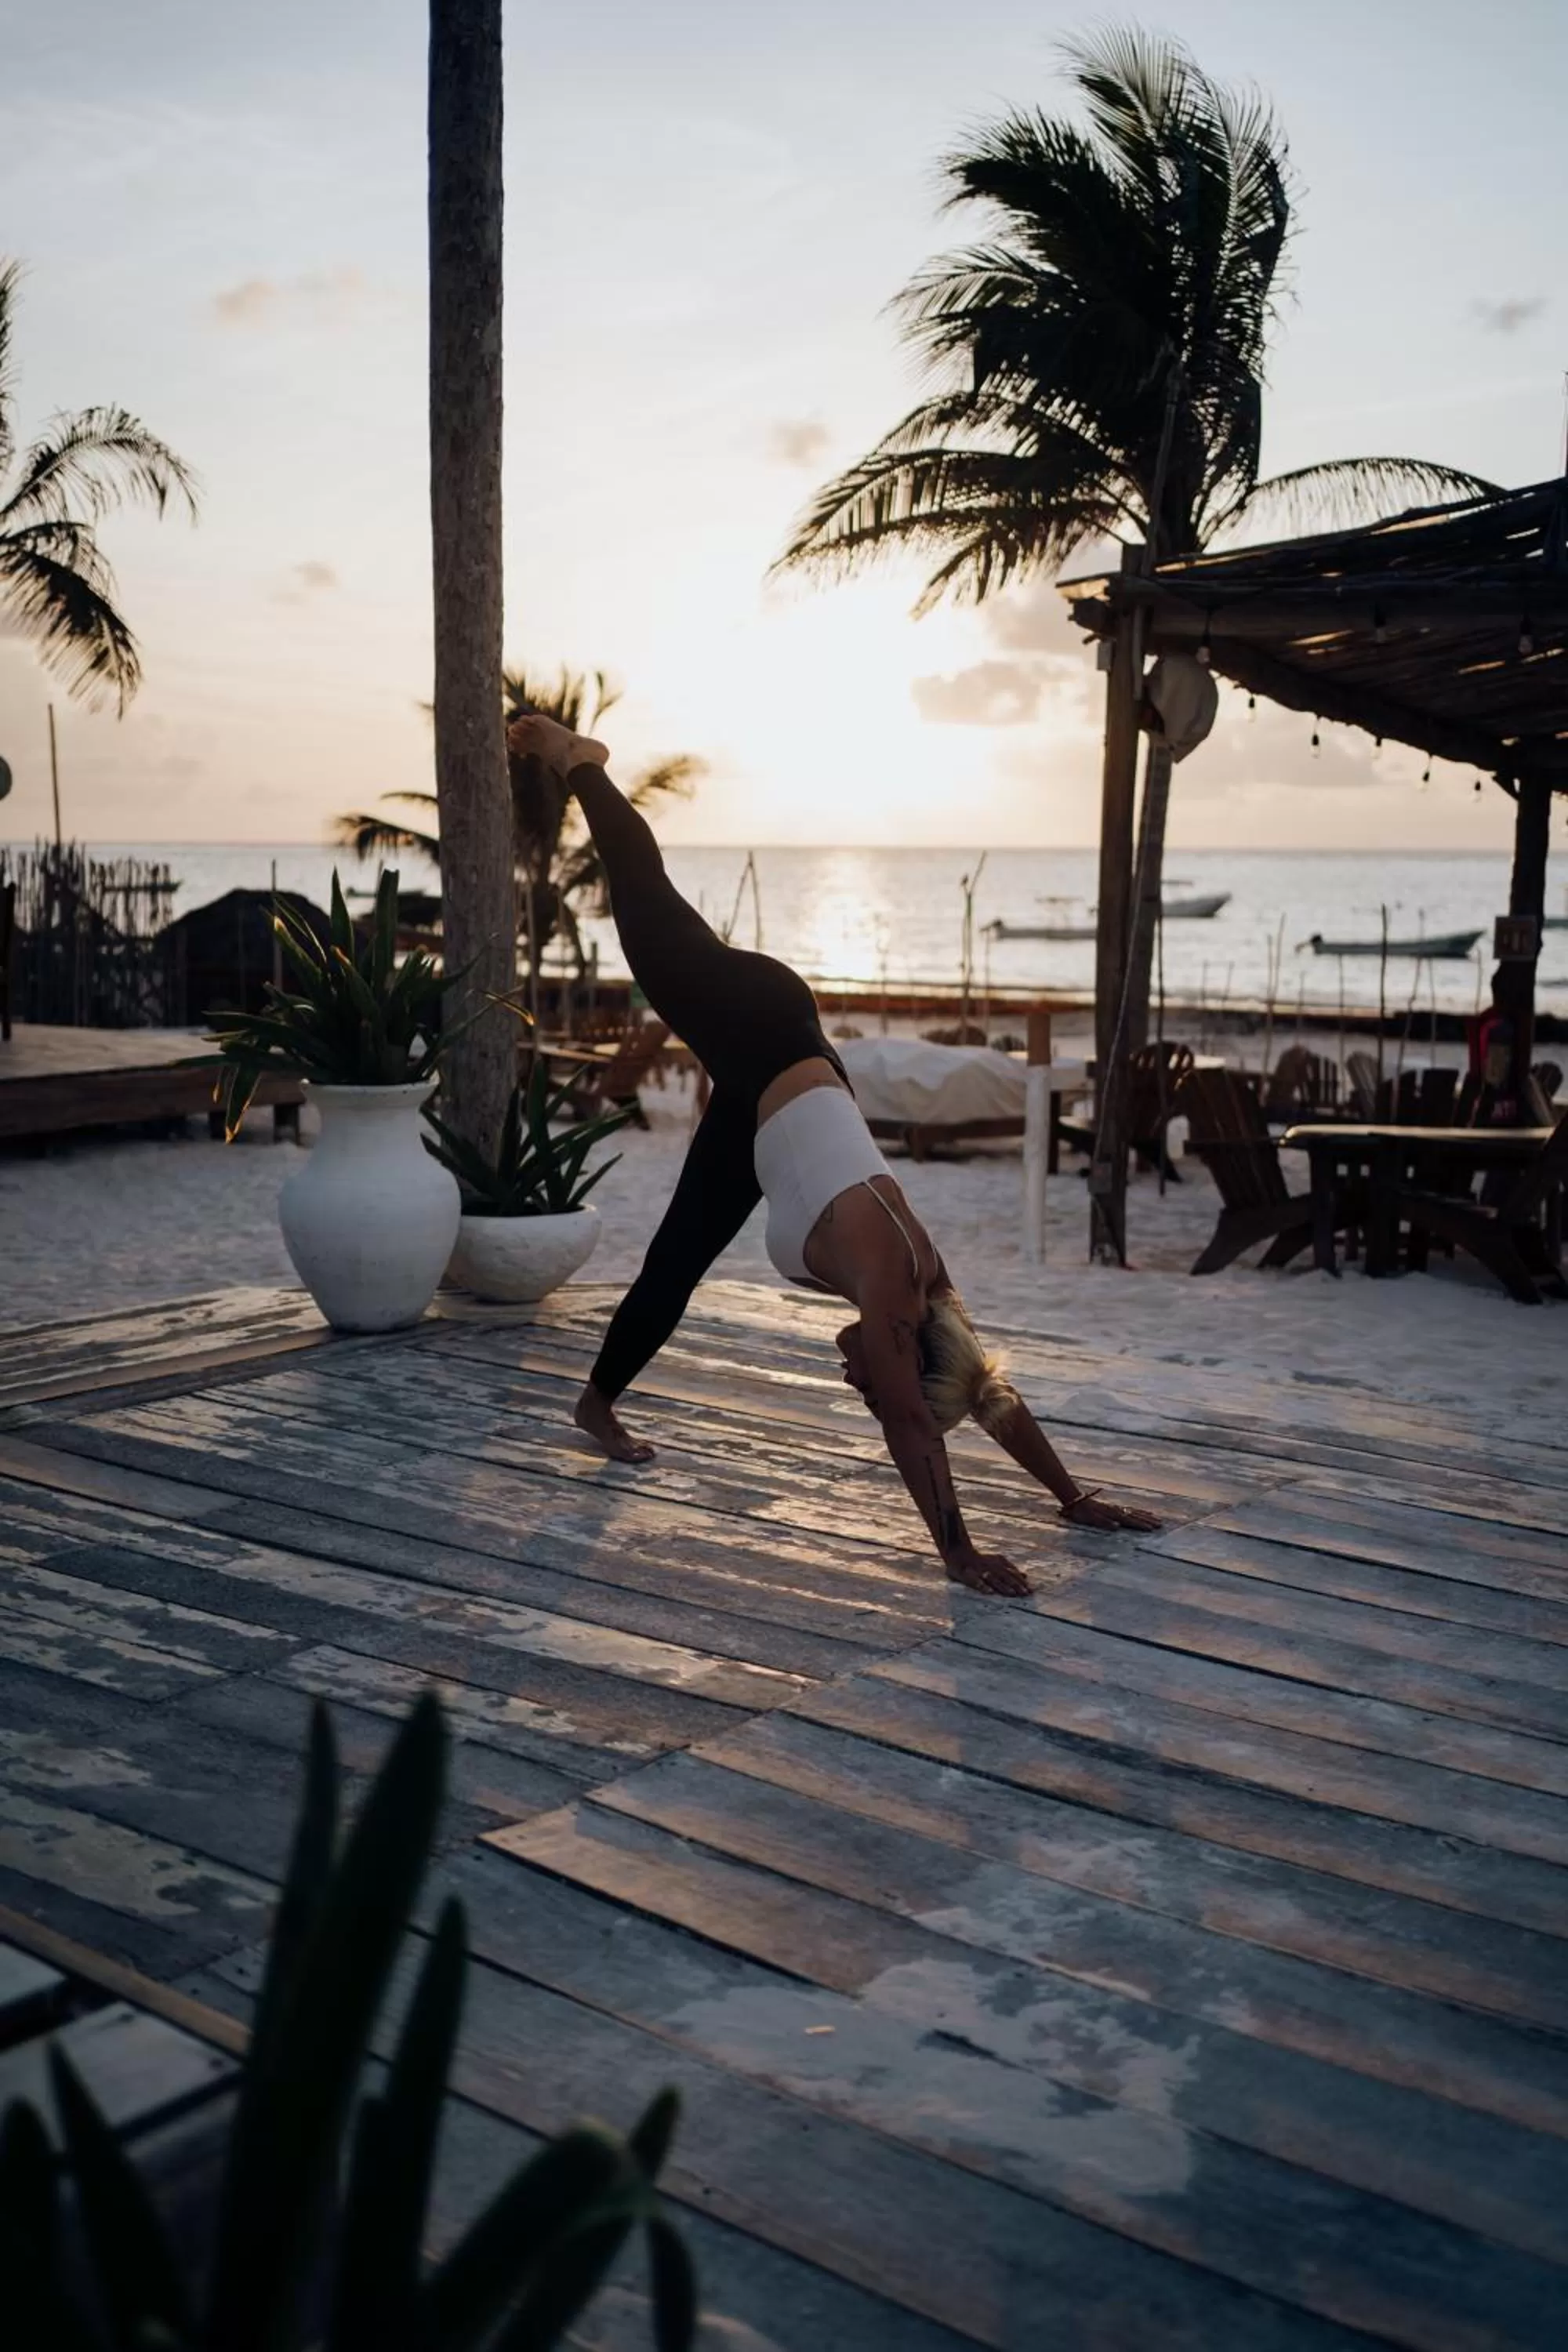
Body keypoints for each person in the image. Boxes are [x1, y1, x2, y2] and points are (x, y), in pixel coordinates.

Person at [507, 710, 1162, 1595]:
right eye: (874, 1376)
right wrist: (957, 1553)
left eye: (862, 1382)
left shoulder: (934, 1302)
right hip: (763, 1031)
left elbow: (987, 1398)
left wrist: (1070, 1496)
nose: (854, 1379)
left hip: (772, 1099)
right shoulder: (895, 1293)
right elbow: (910, 1423)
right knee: (647, 911)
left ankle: (596, 1404)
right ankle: (581, 767)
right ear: (904, 1351)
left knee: (675, 1261)